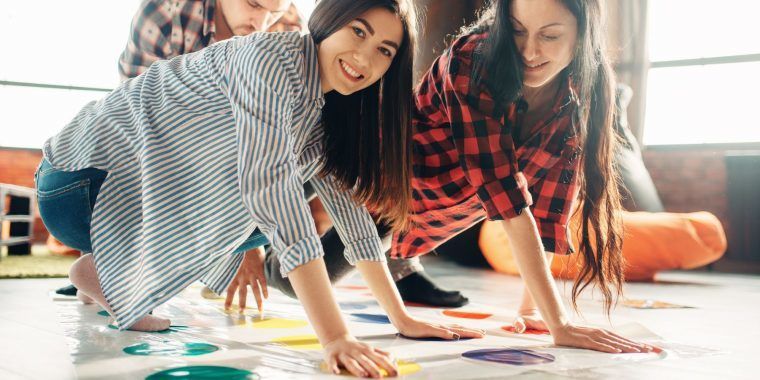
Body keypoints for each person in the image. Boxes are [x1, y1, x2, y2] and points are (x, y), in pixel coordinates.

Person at [35, 0, 483, 376]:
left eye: (385, 50)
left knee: (288, 193)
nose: (366, 58)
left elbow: (350, 216)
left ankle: (106, 276)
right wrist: (335, 337)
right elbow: (270, 189)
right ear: (328, 20)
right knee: (273, 193)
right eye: (358, 32)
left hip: (105, 199)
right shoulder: (271, 59)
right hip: (78, 184)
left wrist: (399, 317)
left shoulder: (330, 106)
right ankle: (120, 264)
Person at [270, 0, 655, 353]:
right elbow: (502, 191)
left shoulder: (577, 100)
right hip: (384, 177)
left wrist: (535, 312)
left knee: (326, 260)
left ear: (582, 38)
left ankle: (398, 264)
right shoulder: (473, 60)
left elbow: (551, 211)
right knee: (289, 269)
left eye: (551, 36)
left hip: (427, 214)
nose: (530, 51)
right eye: (518, 31)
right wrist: (561, 324)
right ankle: (244, 250)